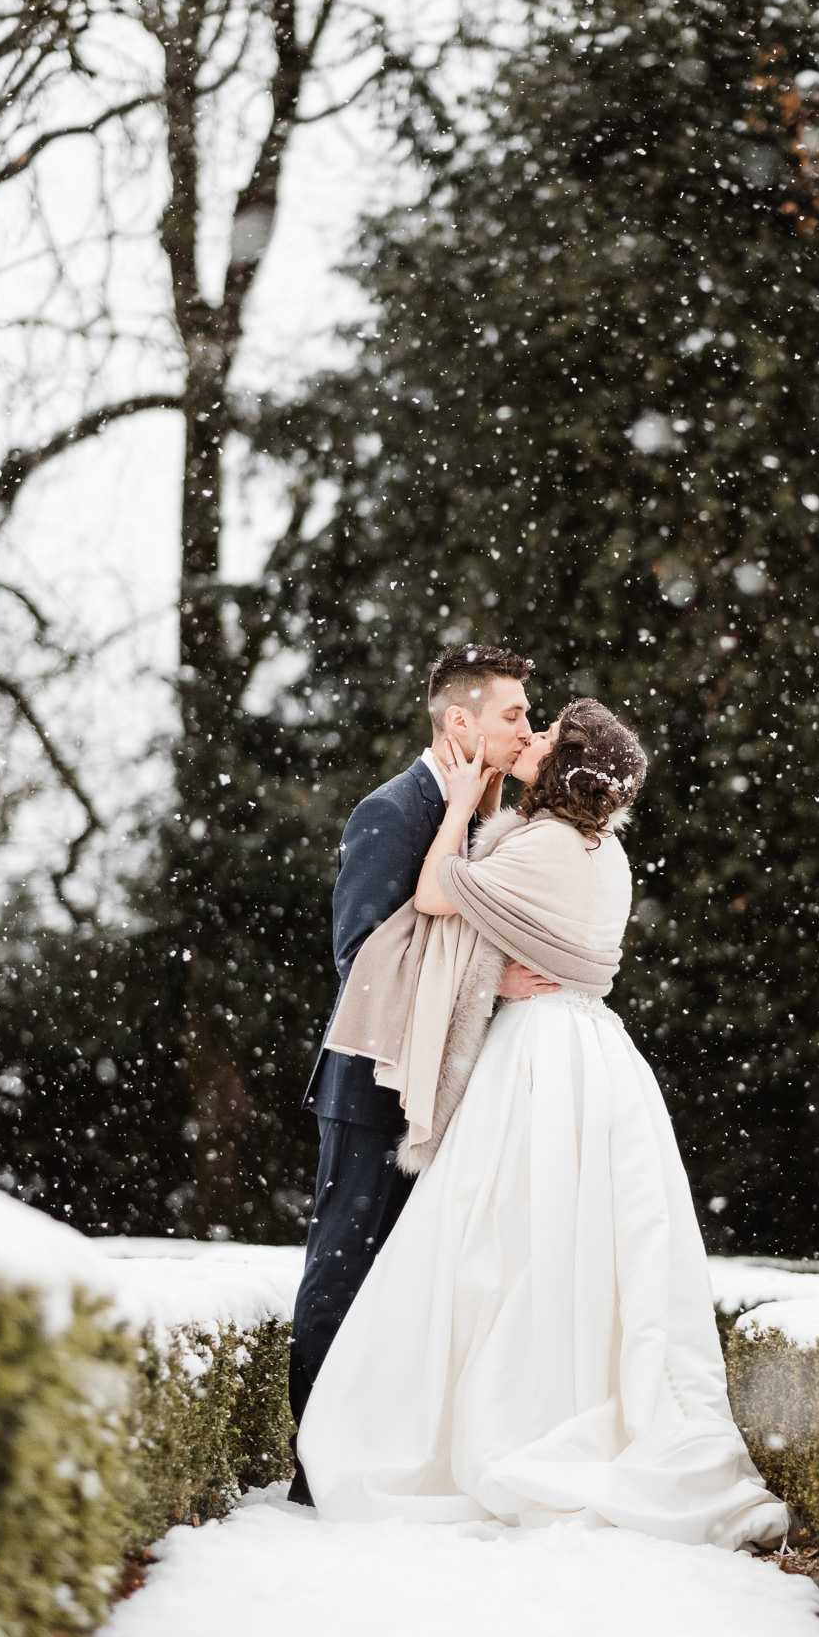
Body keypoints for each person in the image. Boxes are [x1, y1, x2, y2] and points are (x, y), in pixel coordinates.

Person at [296, 699, 789, 1548]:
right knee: (568, 1244)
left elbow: (433, 892)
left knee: (500, 1242)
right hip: (590, 1049)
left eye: (549, 734)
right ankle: (557, 1398)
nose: (532, 738)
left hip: (539, 1056)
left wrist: (456, 810)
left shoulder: (547, 845)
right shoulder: (600, 847)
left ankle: (501, 1420)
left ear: (568, 768)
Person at [287, 644, 559, 1507]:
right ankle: (314, 1473)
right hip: (373, 1091)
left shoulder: (483, 815)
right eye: (513, 713)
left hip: (451, 1092)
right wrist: (491, 978)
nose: (527, 725)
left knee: (419, 1284)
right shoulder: (390, 812)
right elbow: (359, 956)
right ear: (460, 722)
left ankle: (382, 1458)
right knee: (344, 1270)